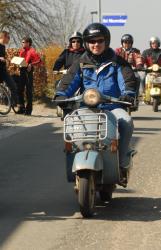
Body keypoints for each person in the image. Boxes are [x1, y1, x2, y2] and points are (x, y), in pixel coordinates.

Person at [55, 23, 137, 183]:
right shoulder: (80, 62)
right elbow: (69, 81)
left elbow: (127, 79)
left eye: (100, 41)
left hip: (112, 107)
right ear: (86, 43)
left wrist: (128, 94)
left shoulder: (117, 62)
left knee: (126, 121)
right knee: (71, 124)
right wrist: (61, 94)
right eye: (92, 41)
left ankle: (121, 162)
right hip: (87, 108)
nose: (96, 44)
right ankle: (74, 158)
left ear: (106, 41)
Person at [17, 37, 41, 115]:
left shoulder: (32, 51)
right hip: (21, 71)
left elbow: (39, 60)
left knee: (28, 91)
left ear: (28, 43)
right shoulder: (21, 50)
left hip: (28, 72)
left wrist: (31, 64)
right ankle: (21, 108)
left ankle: (28, 110)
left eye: (24, 42)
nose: (22, 44)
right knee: (19, 90)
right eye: (22, 42)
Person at [115, 34, 143, 98]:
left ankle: (135, 97)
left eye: (129, 42)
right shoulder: (117, 51)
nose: (127, 44)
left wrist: (139, 65)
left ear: (131, 43)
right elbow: (113, 58)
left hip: (132, 71)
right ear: (122, 43)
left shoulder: (135, 51)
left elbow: (138, 58)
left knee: (137, 78)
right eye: (125, 42)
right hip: (118, 70)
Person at [0, 31, 18, 106]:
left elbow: (3, 58)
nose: (9, 39)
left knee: (13, 85)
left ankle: (12, 103)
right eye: (8, 37)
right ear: (3, 37)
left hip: (3, 70)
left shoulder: (3, 46)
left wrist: (8, 60)